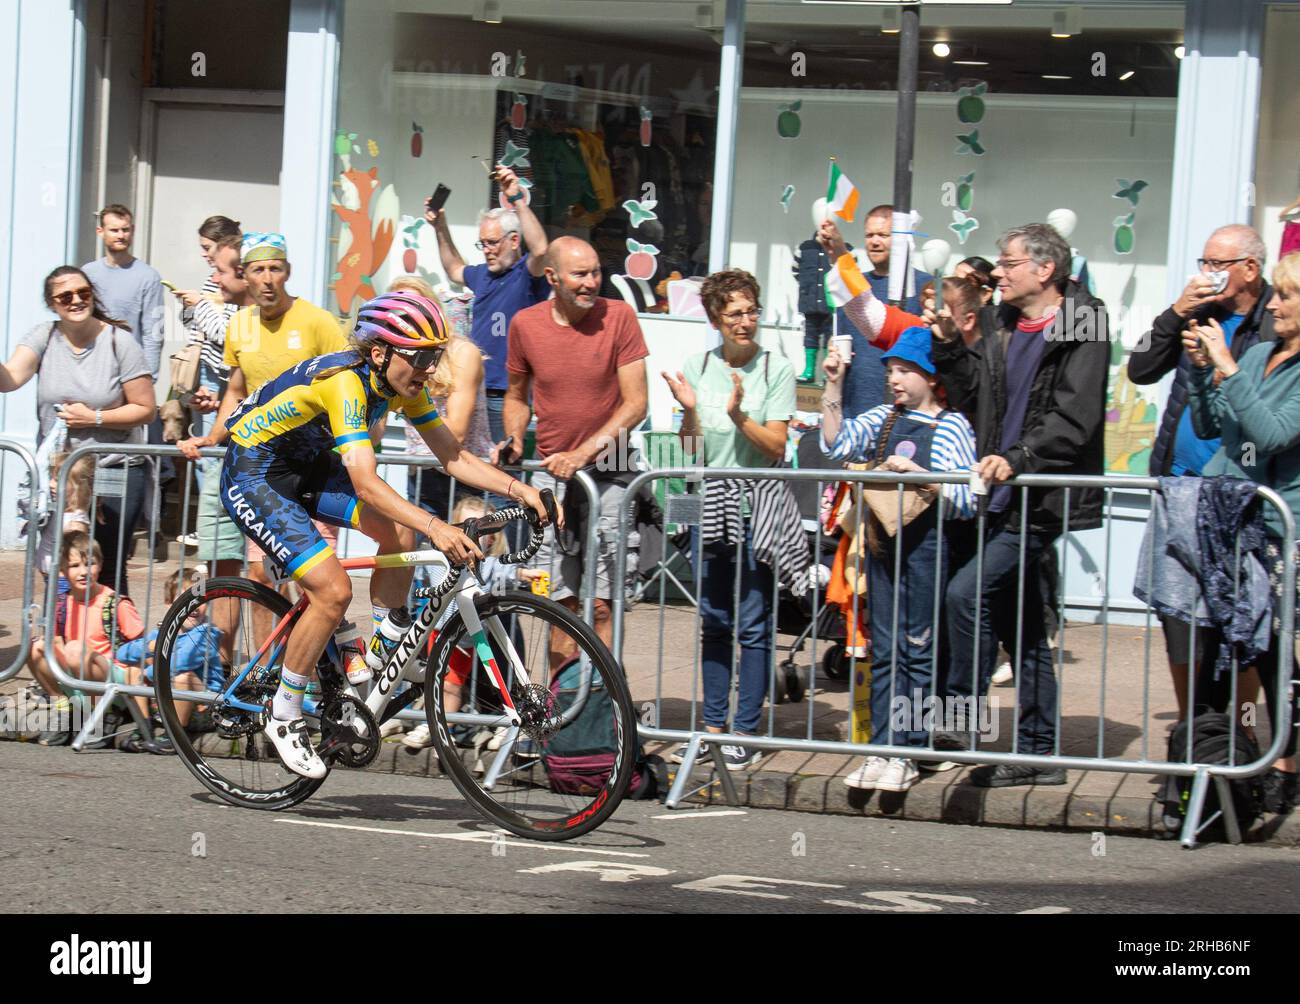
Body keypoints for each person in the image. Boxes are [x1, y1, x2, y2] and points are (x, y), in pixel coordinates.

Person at [218, 290, 554, 778]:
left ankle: (378, 649)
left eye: (435, 356)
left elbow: (453, 456)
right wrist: (436, 526)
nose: (429, 368)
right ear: (379, 353)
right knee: (331, 591)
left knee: (400, 528)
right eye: (420, 357)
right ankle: (284, 713)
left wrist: (520, 490)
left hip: (305, 466)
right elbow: (366, 484)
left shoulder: (402, 386)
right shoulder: (345, 385)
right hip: (255, 473)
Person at [932, 223, 1110, 787]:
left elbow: (1076, 418)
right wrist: (946, 344)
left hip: (1043, 494)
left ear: (1044, 270)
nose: (997, 273)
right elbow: (970, 398)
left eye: (1009, 265)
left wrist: (1021, 455)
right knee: (1023, 626)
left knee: (966, 591)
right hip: (1000, 493)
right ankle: (1038, 751)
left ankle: (959, 719)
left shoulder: (1086, 319)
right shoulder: (1001, 322)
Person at [1128, 224, 1275, 722]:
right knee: (1179, 616)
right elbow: (1140, 368)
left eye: (1218, 265)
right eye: (1204, 263)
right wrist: (1176, 311)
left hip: (1243, 488)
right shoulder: (1196, 312)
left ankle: (1243, 730)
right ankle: (1197, 731)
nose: (1207, 274)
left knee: (1242, 619)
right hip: (1181, 481)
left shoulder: (1275, 318)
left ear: (1250, 270)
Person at [822, 326, 977, 792]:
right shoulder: (884, 418)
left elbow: (969, 500)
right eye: (891, 369)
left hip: (929, 551)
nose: (895, 379)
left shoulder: (951, 425)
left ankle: (910, 749)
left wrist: (923, 476)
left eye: (905, 370)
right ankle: (882, 748)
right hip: (885, 549)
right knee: (885, 650)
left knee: (918, 652)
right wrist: (833, 382)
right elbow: (837, 444)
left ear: (931, 376)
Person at [661, 268, 799, 771]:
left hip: (756, 503)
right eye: (735, 313)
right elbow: (690, 450)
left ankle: (745, 730)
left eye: (751, 311)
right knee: (714, 620)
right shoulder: (697, 366)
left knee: (754, 623)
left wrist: (741, 416)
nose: (746, 321)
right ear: (716, 319)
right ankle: (713, 727)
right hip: (708, 503)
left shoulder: (775, 369)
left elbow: (777, 446)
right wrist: (690, 412)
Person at [1184, 250, 1300, 811]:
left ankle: (1285, 759)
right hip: (1227, 518)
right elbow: (1213, 425)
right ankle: (1219, 755)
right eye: (1276, 294)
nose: (1274, 305)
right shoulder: (1257, 354)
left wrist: (1227, 369)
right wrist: (1203, 372)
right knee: (1224, 639)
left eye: (1287, 296)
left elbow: (1273, 434)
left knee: (1273, 646)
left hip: (1278, 527)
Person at [176, 233, 350, 597]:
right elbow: (237, 391)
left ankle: (330, 654)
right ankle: (280, 655)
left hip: (315, 465)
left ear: (287, 272)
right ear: (245, 275)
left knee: (319, 584)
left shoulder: (318, 322)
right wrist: (212, 438)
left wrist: (358, 444)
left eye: (275, 268)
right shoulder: (239, 324)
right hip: (263, 470)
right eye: (259, 269)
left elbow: (352, 385)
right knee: (262, 576)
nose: (268, 278)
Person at [502, 237, 648, 666]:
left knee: (602, 603)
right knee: (558, 605)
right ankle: (562, 718)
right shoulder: (526, 325)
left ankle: (604, 713)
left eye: (596, 272)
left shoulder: (619, 317)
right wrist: (513, 435)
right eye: (580, 274)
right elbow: (515, 396)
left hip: (611, 469)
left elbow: (637, 404)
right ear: (552, 277)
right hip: (553, 474)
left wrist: (581, 454)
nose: (591, 282)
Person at [0, 267, 156, 595]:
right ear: (52, 303)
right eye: (65, 296)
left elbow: (145, 408)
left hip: (114, 471)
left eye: (83, 293)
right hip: (63, 477)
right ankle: (62, 643)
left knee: (106, 570)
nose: (76, 300)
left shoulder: (118, 341)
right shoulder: (44, 336)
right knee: (61, 567)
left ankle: (108, 644)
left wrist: (94, 418)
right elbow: (10, 378)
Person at [401, 495, 545, 752]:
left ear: (492, 538)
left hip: (465, 637)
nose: (470, 533)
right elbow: (417, 572)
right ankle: (432, 722)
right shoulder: (436, 555)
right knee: (434, 681)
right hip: (434, 631)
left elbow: (503, 569)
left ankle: (443, 728)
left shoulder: (485, 563)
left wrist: (524, 573)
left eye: (481, 529)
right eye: (463, 525)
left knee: (453, 683)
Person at [426, 165, 550, 443]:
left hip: (508, 394)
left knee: (501, 477)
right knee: (468, 470)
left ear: (514, 240)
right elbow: (455, 269)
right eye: (482, 244)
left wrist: (517, 199)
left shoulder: (526, 275)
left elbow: (541, 249)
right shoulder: (483, 274)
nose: (487, 250)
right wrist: (440, 227)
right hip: (472, 388)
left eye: (493, 243)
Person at [23, 533, 147, 749]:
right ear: (62, 570)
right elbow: (55, 646)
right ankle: (64, 708)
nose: (83, 572)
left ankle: (103, 715)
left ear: (99, 565)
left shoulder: (114, 603)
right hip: (76, 679)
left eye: (89, 563)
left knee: (74, 649)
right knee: (36, 647)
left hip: (112, 683)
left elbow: (143, 646)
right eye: (74, 565)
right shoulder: (61, 603)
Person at [390, 276, 492, 523]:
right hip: (423, 474)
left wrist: (404, 406)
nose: (408, 317)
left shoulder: (461, 353)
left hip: (466, 474)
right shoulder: (394, 357)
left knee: (468, 558)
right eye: (398, 310)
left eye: (415, 307)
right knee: (420, 559)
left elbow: (456, 431)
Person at [169, 216, 242, 491]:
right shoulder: (211, 281)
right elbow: (196, 326)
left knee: (216, 451)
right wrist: (189, 307)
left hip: (230, 378)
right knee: (203, 448)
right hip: (209, 374)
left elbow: (224, 334)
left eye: (207, 246)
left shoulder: (236, 283)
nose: (203, 254)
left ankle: (218, 514)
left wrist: (199, 305)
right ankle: (207, 520)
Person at [837, 204, 931, 418]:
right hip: (855, 411)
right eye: (869, 235)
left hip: (905, 415)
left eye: (882, 235)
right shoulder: (855, 287)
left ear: (899, 239)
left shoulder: (925, 287)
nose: (874, 241)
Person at [116, 568, 223, 734]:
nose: (194, 607)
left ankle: (174, 734)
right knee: (133, 669)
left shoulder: (206, 632)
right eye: (186, 600)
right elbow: (122, 654)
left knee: (183, 677)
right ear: (169, 604)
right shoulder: (162, 633)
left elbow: (184, 660)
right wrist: (150, 646)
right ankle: (144, 728)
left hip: (204, 705)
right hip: (166, 701)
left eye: (200, 600)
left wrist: (149, 674)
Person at [81, 204, 165, 375]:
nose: (121, 235)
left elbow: (153, 332)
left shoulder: (148, 277)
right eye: (114, 230)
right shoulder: (87, 273)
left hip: (128, 371)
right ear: (100, 231)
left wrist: (149, 375)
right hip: (91, 368)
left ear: (132, 230)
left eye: (125, 230)